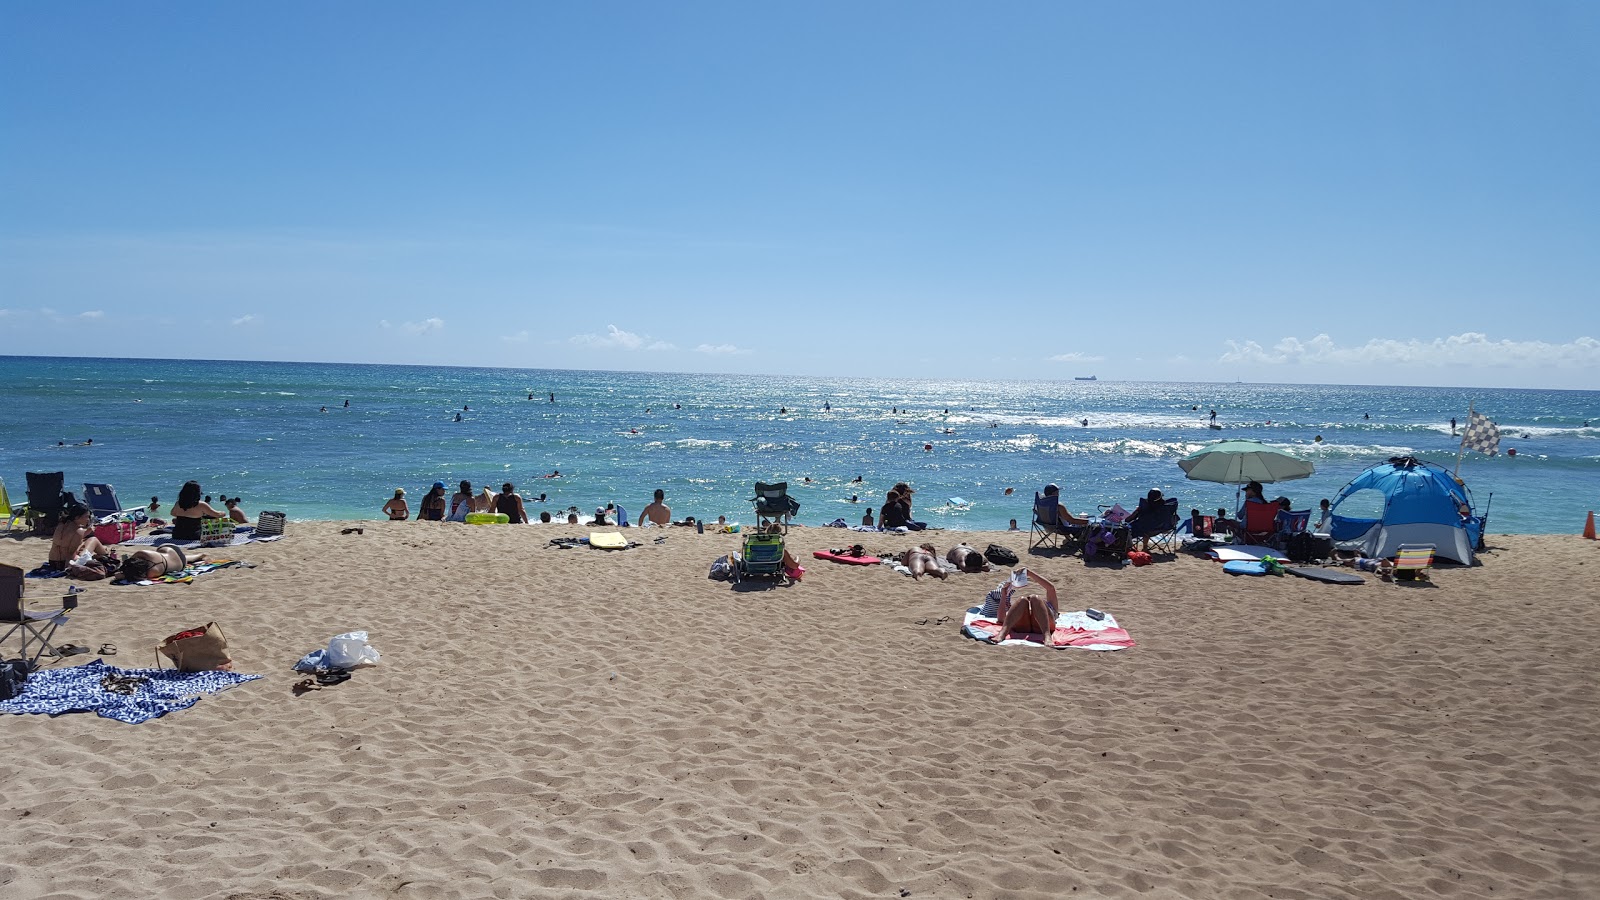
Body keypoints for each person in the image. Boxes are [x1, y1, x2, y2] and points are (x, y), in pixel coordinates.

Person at [989, 570, 1063, 644]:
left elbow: (1051, 588)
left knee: (1035, 598)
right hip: (1023, 626)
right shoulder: (1017, 607)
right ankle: (1003, 633)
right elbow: (1001, 619)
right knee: (1022, 600)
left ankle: (1047, 635)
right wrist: (1003, 596)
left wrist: (1029, 573)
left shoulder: (1049, 605)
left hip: (1045, 626)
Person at [50, 505, 108, 569]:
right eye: (86, 517)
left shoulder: (62, 524)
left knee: (84, 544)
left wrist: (86, 533)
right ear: (77, 517)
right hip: (64, 563)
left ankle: (102, 553)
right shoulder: (79, 531)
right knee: (93, 540)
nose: (88, 519)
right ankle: (105, 556)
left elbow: (66, 541)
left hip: (52, 562)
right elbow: (71, 554)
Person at [119, 545, 207, 582]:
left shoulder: (152, 571)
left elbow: (136, 577)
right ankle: (198, 555)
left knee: (186, 559)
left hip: (181, 563)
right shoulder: (143, 553)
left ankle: (197, 556)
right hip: (170, 549)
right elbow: (130, 560)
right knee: (160, 552)